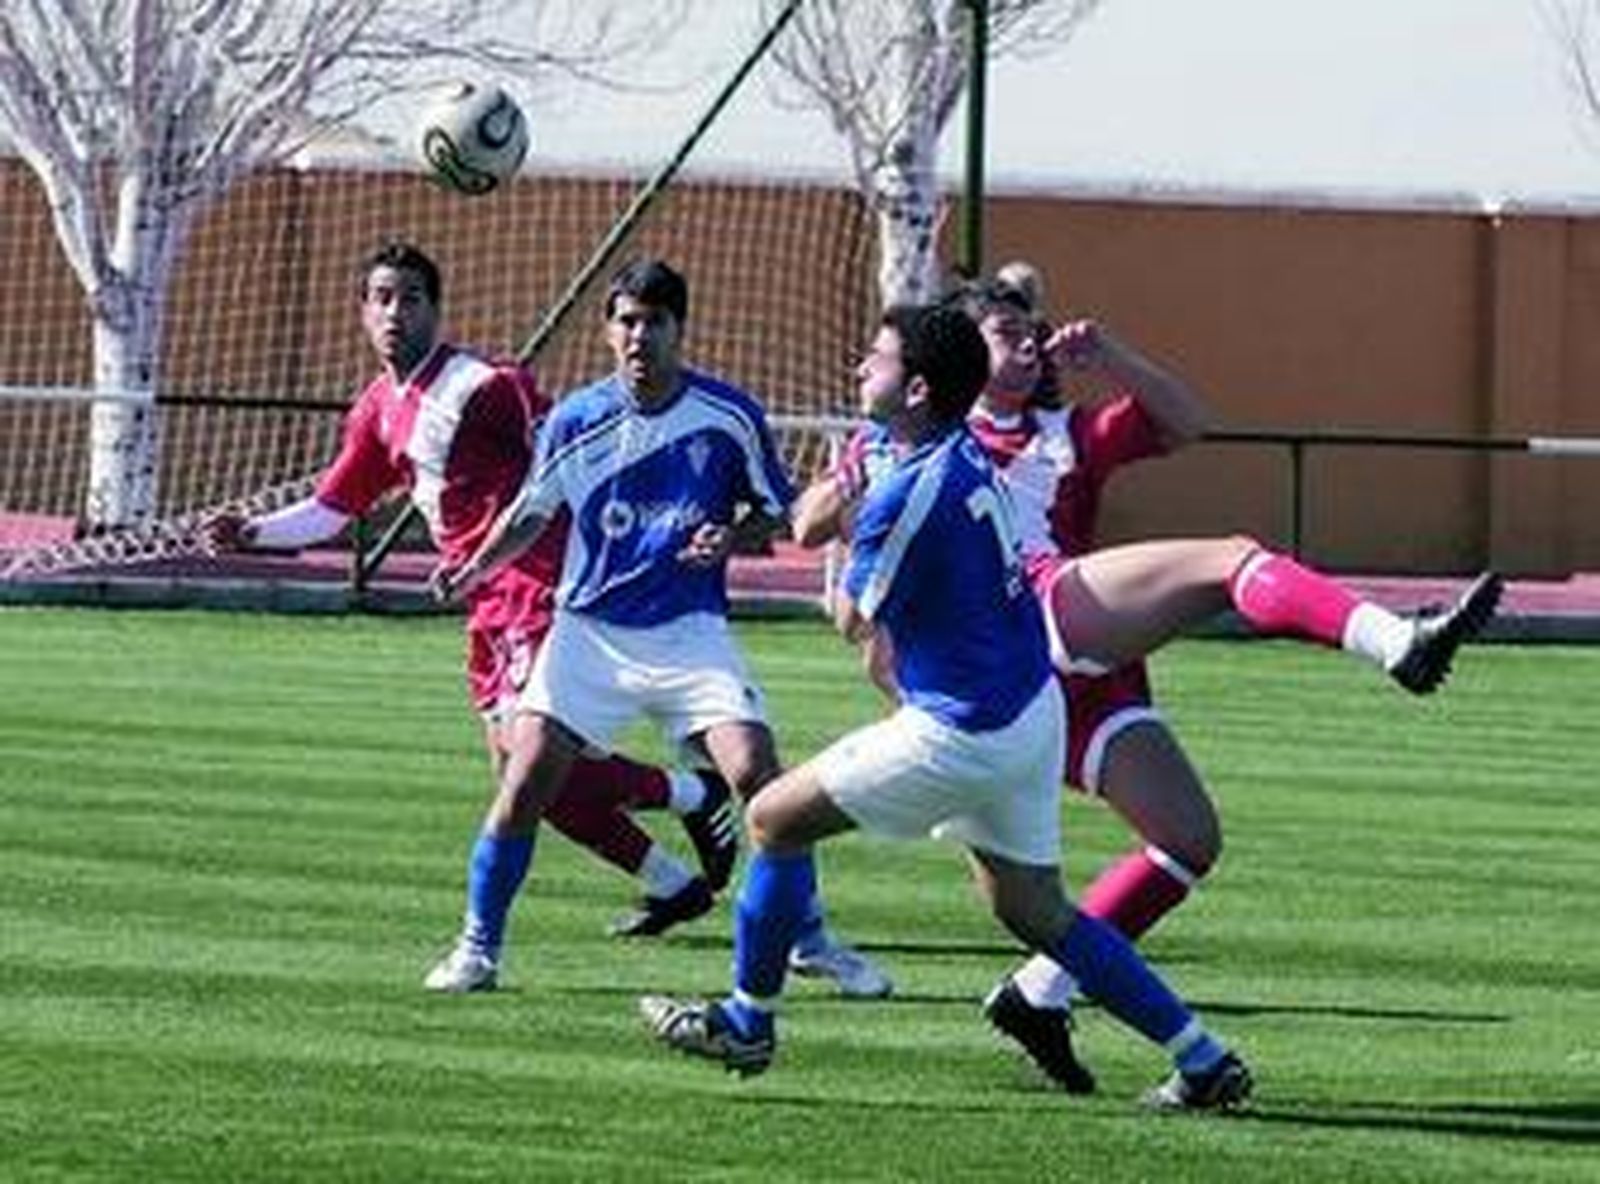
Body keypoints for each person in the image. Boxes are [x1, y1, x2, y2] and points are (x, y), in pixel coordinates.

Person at [792, 275, 1501, 1089]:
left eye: (1033, 332)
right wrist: (851, 492)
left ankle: (1037, 993)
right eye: (1004, 331)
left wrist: (1113, 356)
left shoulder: (1062, 433)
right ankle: (1399, 644)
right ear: (954, 354)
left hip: (1072, 689)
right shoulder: (917, 437)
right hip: (1036, 625)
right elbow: (817, 522)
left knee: (1188, 840)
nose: (1027, 344)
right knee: (1229, 558)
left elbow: (1187, 421)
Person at [641, 301, 1254, 1112]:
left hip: (962, 729)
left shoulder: (904, 496)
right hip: (1026, 711)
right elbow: (831, 515)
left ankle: (747, 1020)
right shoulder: (957, 450)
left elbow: (856, 621)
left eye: (878, 358)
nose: (862, 367)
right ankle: (1202, 1058)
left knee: (772, 820)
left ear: (920, 388)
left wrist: (845, 543)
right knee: (1038, 913)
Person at [201, 242, 740, 950]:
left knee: (530, 770)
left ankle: (684, 812)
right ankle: (679, 867)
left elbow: (579, 445)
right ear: (362, 311)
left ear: (437, 308)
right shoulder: (378, 410)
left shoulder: (485, 384)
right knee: (523, 776)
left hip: (536, 585)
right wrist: (252, 533)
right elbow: (332, 510)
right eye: (383, 298)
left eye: (412, 298)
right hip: (484, 604)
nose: (396, 313)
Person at [426, 257, 891, 998]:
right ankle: (476, 949)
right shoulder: (577, 418)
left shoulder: (727, 414)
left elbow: (785, 513)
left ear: (681, 328)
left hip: (688, 634)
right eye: (626, 321)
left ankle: (811, 941)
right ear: (609, 331)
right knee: (523, 782)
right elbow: (532, 514)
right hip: (589, 634)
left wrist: (731, 537)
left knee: (759, 778)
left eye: (655, 322)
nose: (639, 335)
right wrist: (473, 566)